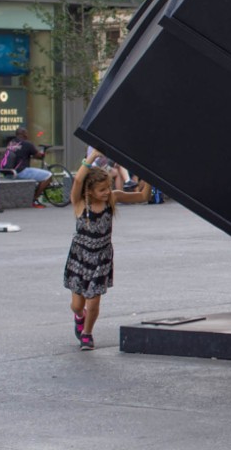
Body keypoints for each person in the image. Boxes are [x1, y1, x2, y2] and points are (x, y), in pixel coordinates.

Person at [65, 149, 152, 351]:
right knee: (77, 305)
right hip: (80, 257)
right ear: (90, 191)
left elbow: (143, 196)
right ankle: (79, 316)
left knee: (93, 301)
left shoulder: (111, 199)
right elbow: (78, 182)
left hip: (101, 258)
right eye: (102, 189)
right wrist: (92, 157)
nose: (106, 192)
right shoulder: (80, 203)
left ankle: (87, 334)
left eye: (108, 188)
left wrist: (149, 177)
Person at [1, 128, 57, 208]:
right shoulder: (27, 144)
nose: (27, 135)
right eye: (26, 133)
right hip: (20, 172)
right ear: (24, 134)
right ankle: (34, 199)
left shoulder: (11, 143)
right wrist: (43, 154)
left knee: (34, 172)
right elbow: (38, 156)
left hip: (9, 173)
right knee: (48, 175)